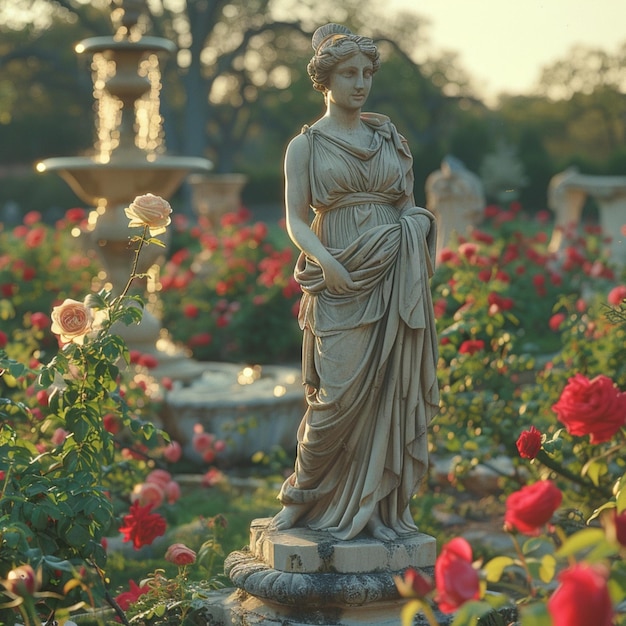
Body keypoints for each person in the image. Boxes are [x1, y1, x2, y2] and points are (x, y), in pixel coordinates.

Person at [272, 23, 440, 542]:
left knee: (387, 391)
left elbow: (405, 204)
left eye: (367, 73)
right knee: (335, 395)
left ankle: (377, 507)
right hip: (339, 273)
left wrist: (418, 224)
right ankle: (301, 498)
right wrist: (326, 260)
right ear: (325, 80)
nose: (361, 83)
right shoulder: (306, 146)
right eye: (349, 74)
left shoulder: (389, 137)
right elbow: (296, 219)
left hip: (392, 271)